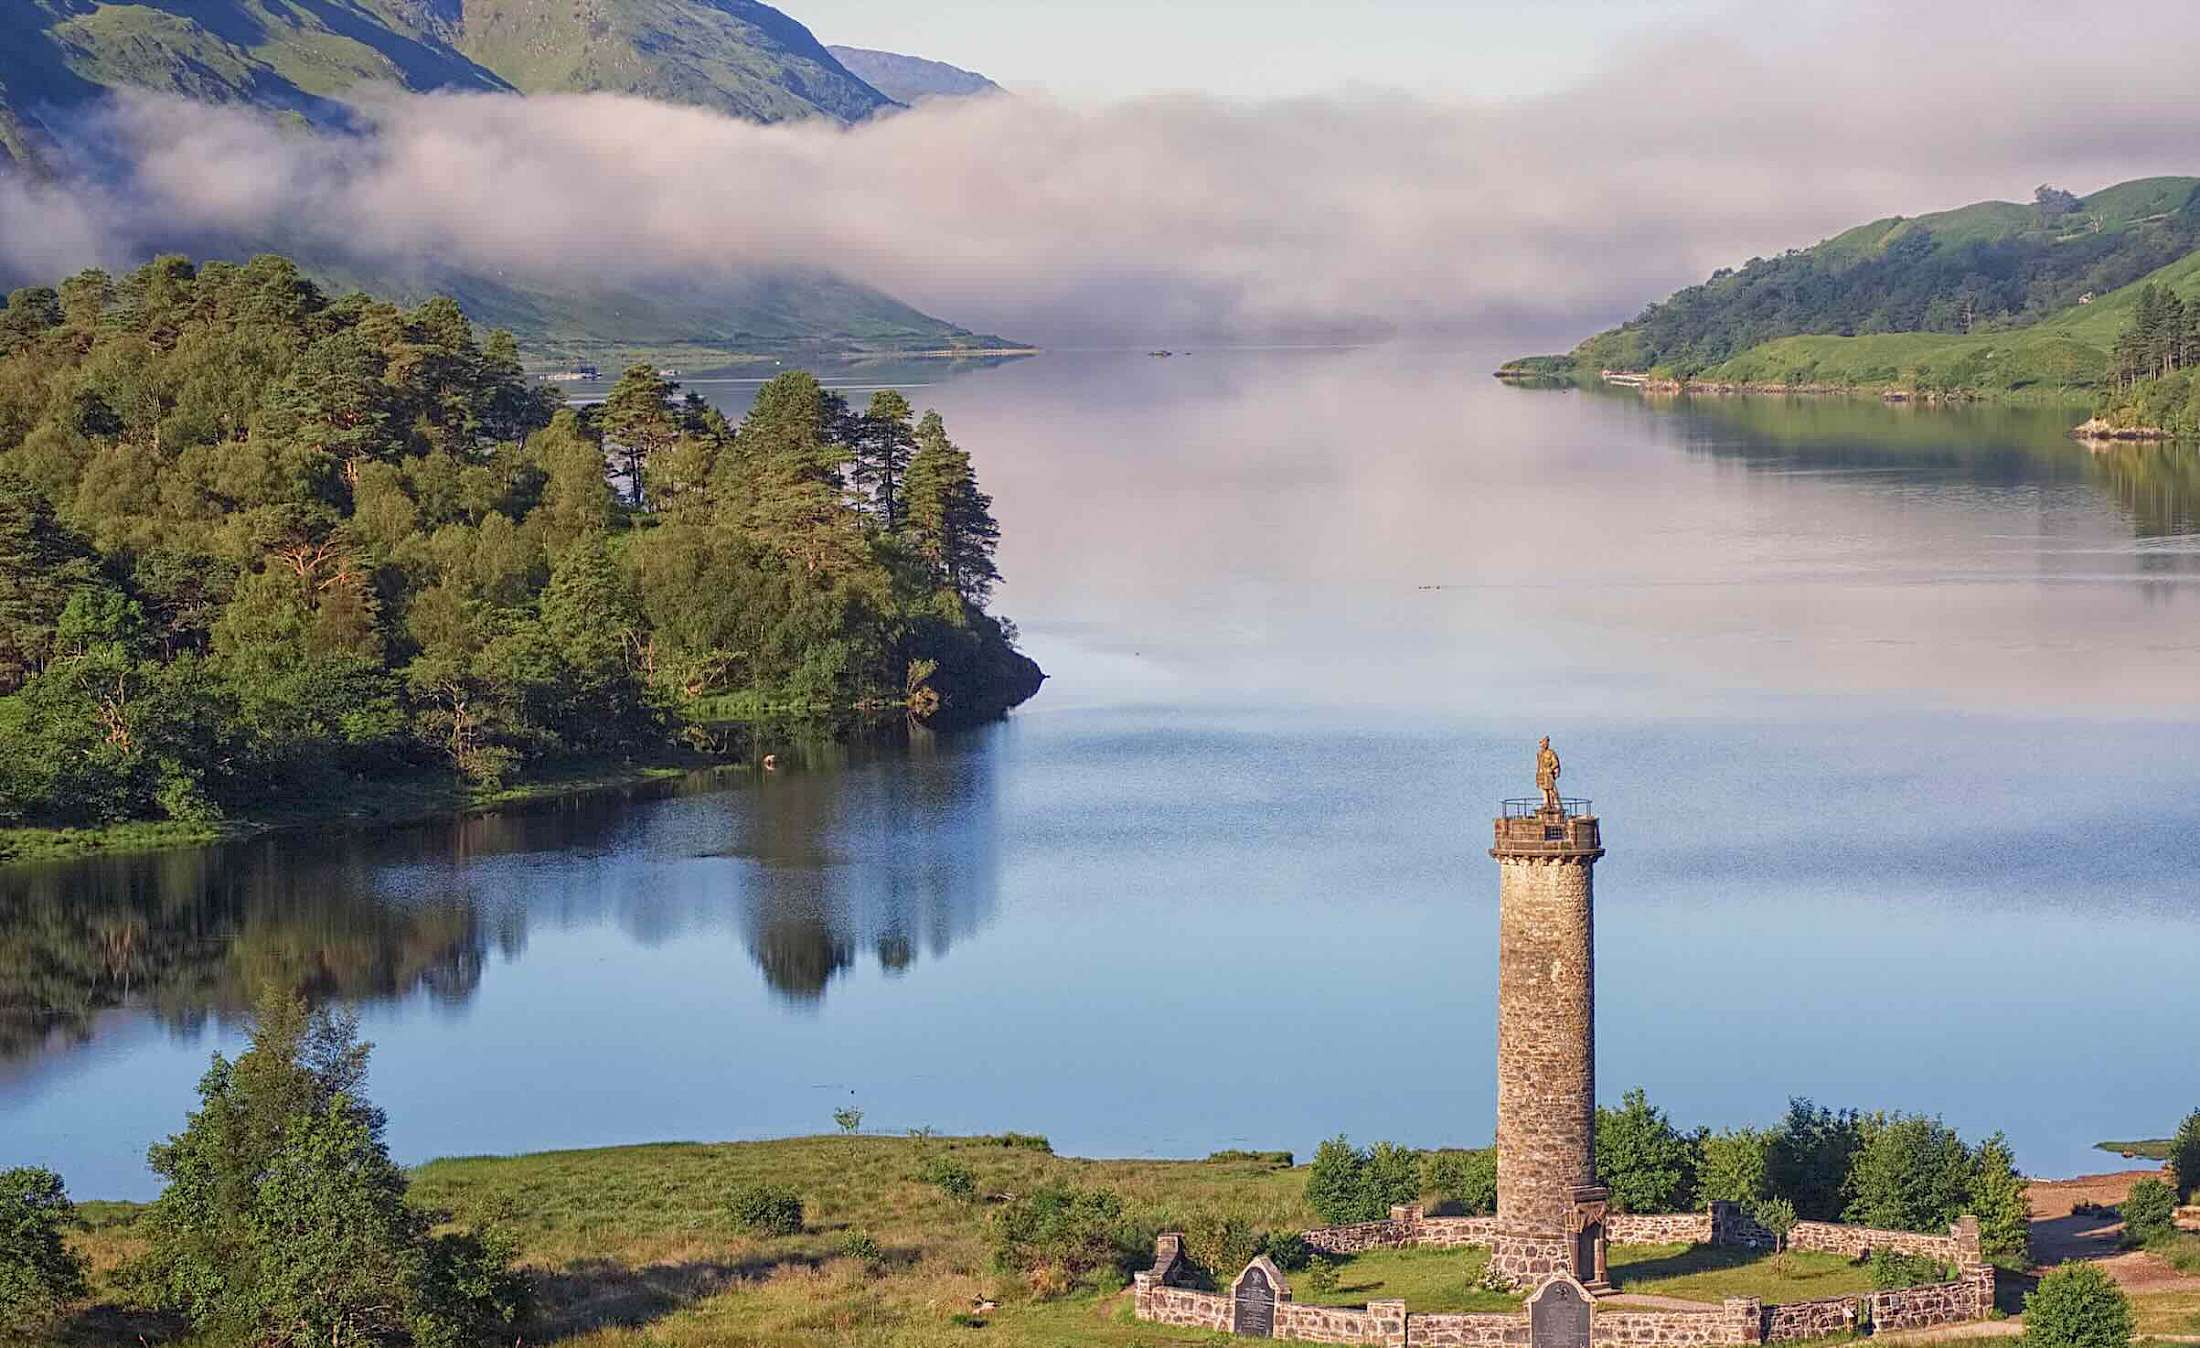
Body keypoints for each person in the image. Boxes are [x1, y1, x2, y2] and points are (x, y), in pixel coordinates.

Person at [1536, 736, 1562, 812]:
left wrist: (1550, 769)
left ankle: (1554, 805)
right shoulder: (1539, 753)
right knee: (1543, 789)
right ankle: (1546, 803)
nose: (1542, 745)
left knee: (1551, 789)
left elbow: (1556, 763)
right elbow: (1539, 765)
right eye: (1541, 743)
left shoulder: (1551, 753)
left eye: (1544, 743)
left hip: (1548, 774)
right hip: (1542, 774)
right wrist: (1537, 775)